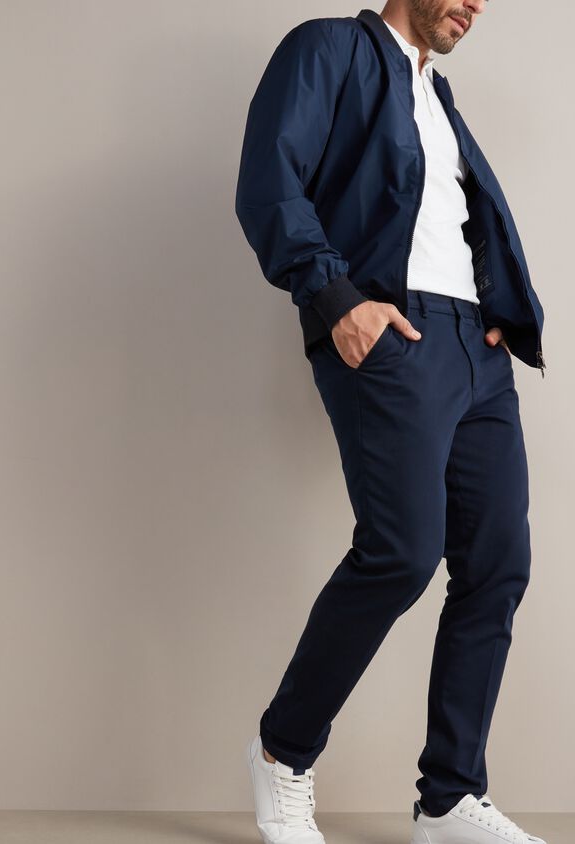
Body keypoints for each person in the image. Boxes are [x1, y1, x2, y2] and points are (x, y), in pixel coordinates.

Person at [235, 4, 548, 843]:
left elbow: (449, 220)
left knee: (497, 563)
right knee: (402, 552)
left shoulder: (438, 96)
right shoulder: (330, 48)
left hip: (475, 348)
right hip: (395, 331)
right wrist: (336, 298)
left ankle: (448, 799)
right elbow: (269, 178)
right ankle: (282, 752)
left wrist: (494, 313)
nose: (476, 4)